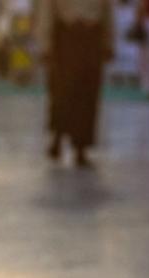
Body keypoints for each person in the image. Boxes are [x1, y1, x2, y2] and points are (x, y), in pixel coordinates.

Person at [38, 0, 114, 167]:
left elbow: (108, 11)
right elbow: (47, 11)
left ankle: (81, 146)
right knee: (61, 91)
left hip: (91, 36)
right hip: (66, 36)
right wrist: (45, 44)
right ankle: (57, 137)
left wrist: (109, 42)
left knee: (87, 94)